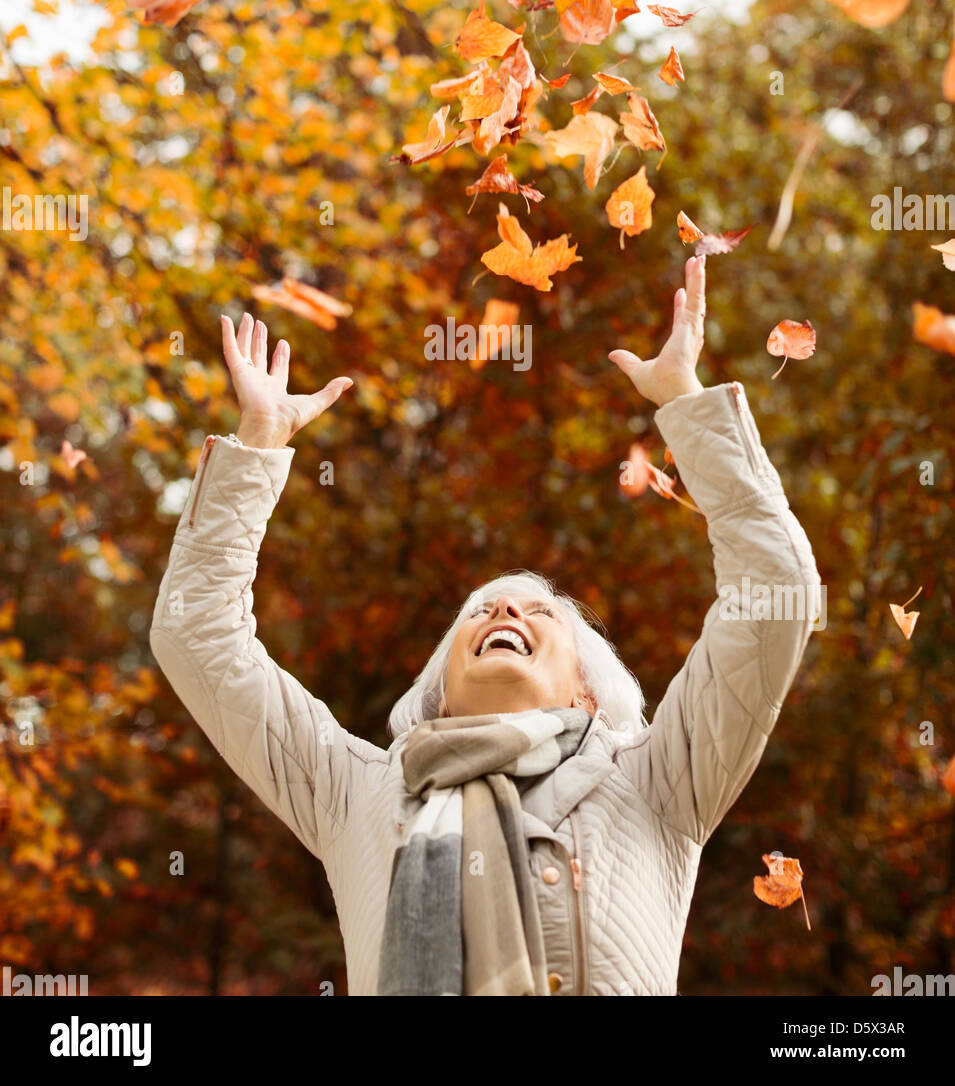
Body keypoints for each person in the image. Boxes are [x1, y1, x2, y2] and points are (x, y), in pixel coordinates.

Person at [150, 256, 821, 995]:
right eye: (483, 610)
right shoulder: (357, 793)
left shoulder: (658, 781)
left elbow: (773, 593)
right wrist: (258, 444)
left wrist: (684, 402)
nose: (504, 611)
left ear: (587, 696)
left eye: (540, 614)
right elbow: (197, 638)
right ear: (438, 692)